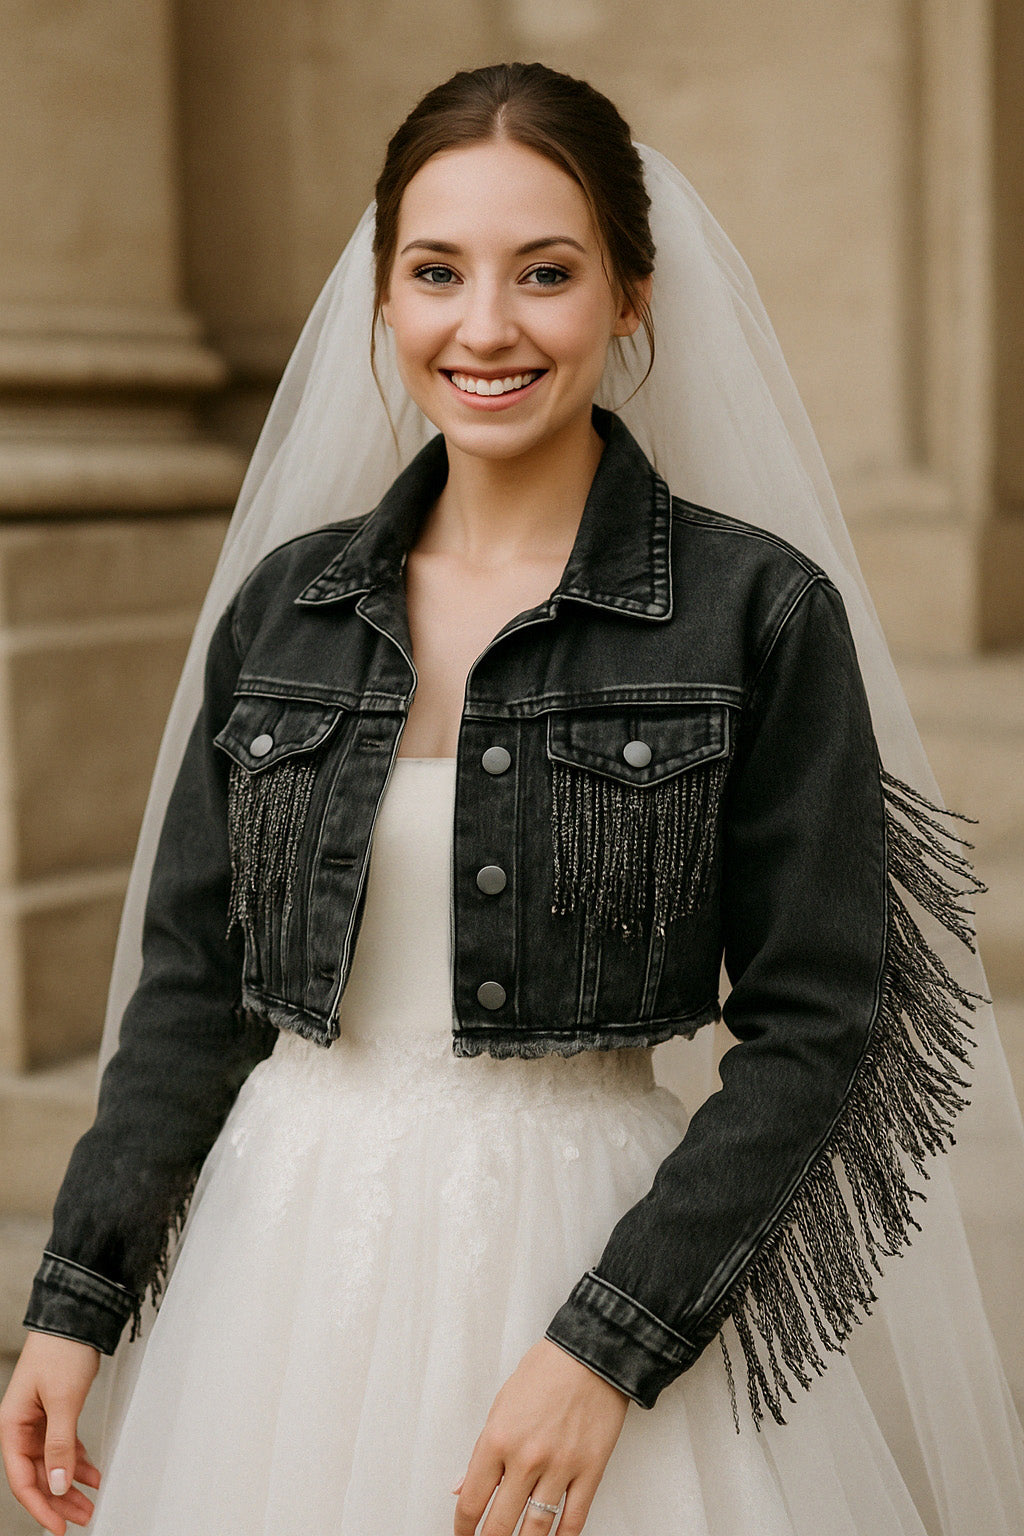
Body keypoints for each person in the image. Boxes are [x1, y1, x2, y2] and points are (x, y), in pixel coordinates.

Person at [2, 59, 1022, 1536]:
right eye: (437, 272)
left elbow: (824, 1027)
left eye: (545, 272)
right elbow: (190, 994)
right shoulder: (286, 610)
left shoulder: (752, 612)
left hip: (585, 1255)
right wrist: (78, 1299)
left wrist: (607, 1347)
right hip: (284, 1273)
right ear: (384, 298)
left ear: (631, 297)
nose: (485, 326)